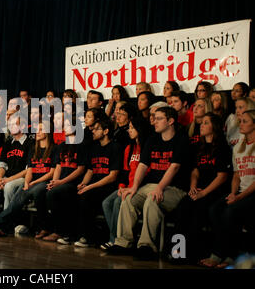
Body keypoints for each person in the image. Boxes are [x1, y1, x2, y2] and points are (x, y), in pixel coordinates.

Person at [107, 107, 190, 260]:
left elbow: (174, 167)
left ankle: (146, 246)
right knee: (128, 199)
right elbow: (142, 165)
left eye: (159, 118)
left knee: (152, 200)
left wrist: (159, 188)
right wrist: (134, 187)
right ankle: (123, 243)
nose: (154, 122)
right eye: (154, 118)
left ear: (170, 121)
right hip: (151, 185)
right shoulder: (153, 139)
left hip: (175, 189)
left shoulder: (181, 139)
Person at [173, 112, 231, 264]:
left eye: (206, 123)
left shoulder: (222, 147)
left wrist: (203, 193)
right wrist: (193, 188)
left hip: (215, 191)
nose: (201, 125)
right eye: (201, 122)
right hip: (199, 189)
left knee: (198, 211)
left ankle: (192, 254)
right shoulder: (199, 146)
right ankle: (177, 251)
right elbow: (195, 171)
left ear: (215, 127)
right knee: (182, 207)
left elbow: (222, 176)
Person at [200, 110, 255, 268]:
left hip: (251, 192)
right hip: (240, 192)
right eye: (240, 121)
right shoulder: (238, 147)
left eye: (245, 121)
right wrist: (232, 193)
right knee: (214, 209)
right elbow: (236, 175)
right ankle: (221, 252)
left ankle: (227, 254)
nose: (240, 124)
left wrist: (238, 197)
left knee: (230, 211)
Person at [0, 122, 57, 237]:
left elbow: (52, 172)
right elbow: (30, 170)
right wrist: (27, 182)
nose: (37, 132)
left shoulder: (54, 149)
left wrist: (34, 182)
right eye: (37, 129)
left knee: (36, 191)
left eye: (41, 129)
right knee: (16, 201)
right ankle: (2, 226)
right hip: (32, 181)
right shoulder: (34, 148)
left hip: (43, 182)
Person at [101, 116, 150, 251]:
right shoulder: (129, 148)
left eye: (132, 128)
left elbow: (148, 172)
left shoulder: (147, 147)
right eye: (129, 128)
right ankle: (116, 236)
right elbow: (124, 171)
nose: (129, 130)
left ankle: (116, 240)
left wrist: (133, 187)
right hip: (127, 186)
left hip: (141, 187)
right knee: (106, 203)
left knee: (118, 203)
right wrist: (122, 187)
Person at [71, 119, 121, 247]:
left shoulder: (115, 147)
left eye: (96, 129)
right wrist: (83, 183)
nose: (92, 131)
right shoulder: (94, 147)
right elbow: (90, 170)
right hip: (94, 185)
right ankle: (76, 234)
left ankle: (88, 237)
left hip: (108, 186)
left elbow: (112, 176)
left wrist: (89, 187)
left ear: (106, 131)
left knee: (86, 197)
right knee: (75, 194)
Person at [42, 118, 87, 242]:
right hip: (61, 182)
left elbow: (80, 169)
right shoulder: (61, 146)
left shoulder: (81, 145)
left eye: (67, 125)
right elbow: (58, 166)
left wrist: (60, 182)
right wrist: (53, 182)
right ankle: (54, 229)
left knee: (55, 193)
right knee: (48, 191)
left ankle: (60, 231)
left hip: (74, 183)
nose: (63, 128)